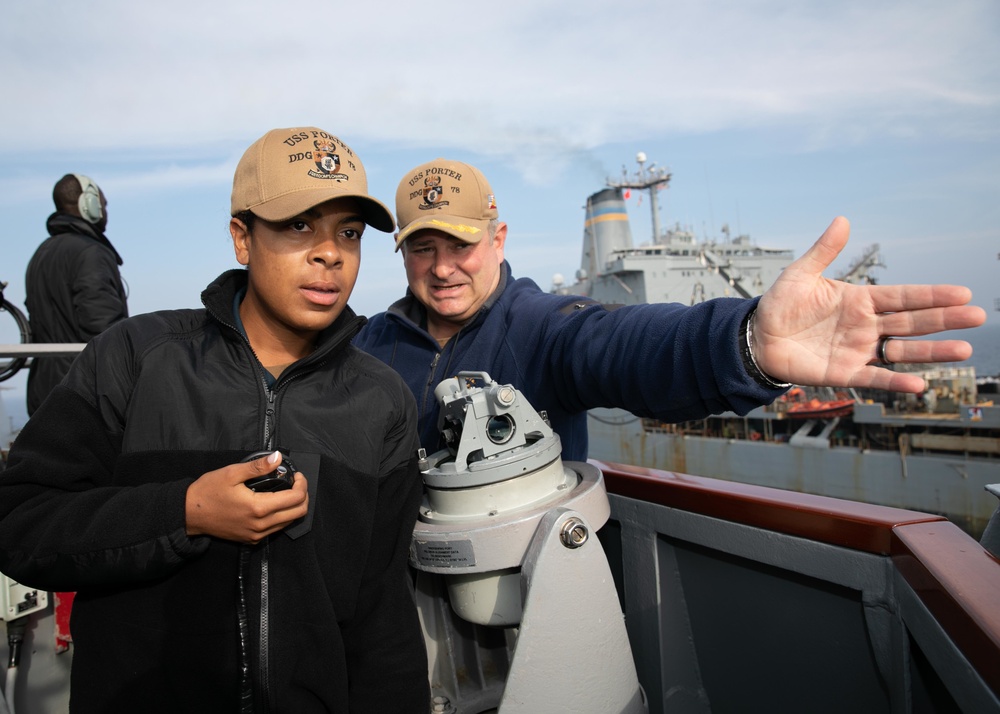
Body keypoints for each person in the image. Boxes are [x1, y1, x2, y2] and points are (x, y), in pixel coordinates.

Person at [0, 127, 429, 712]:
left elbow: (384, 617)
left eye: (348, 233)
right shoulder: (134, 359)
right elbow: (21, 524)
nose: (330, 252)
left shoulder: (383, 402)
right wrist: (186, 512)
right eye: (298, 224)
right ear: (241, 239)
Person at [355, 158, 986, 460]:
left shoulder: (545, 329)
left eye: (460, 245)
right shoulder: (369, 346)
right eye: (423, 248)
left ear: (497, 240)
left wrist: (745, 345)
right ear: (402, 254)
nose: (442, 268)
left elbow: (626, 344)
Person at [24, 173, 129, 415]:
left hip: (42, 389)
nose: (105, 210)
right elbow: (104, 328)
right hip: (80, 392)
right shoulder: (91, 252)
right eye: (103, 204)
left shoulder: (42, 253)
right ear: (88, 204)